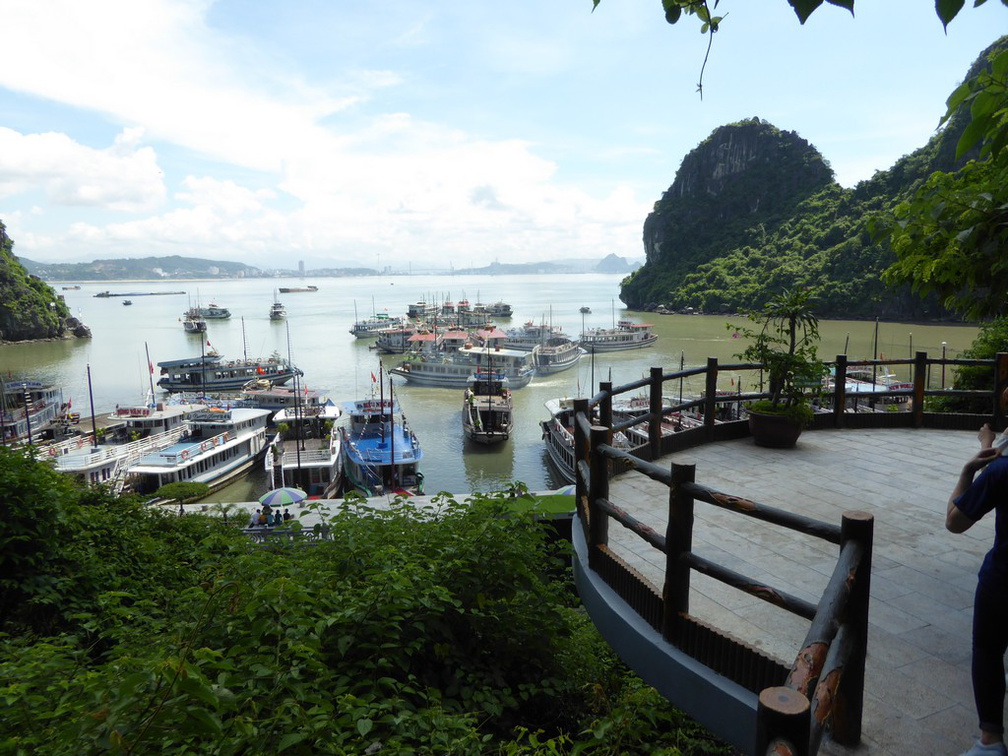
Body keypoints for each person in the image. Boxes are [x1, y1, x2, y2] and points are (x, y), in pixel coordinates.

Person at [947, 386, 1008, 756]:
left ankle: (990, 740)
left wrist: (970, 468)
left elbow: (955, 522)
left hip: (1004, 576)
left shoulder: (999, 471)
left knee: (987, 649)